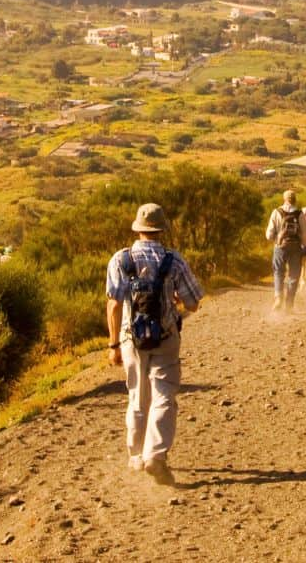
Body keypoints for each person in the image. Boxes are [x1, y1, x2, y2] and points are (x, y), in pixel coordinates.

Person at [106, 202, 204, 485]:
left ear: (138, 228)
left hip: (131, 340)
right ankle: (156, 455)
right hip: (166, 337)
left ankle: (136, 456)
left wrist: (113, 345)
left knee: (137, 396)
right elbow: (193, 303)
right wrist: (176, 304)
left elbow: (113, 304)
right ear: (162, 229)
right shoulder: (174, 261)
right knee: (164, 395)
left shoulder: (121, 260)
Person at [264, 190, 306, 310]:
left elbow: (269, 234)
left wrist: (276, 239)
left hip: (280, 247)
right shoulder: (299, 213)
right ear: (295, 199)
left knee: (278, 272)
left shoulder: (276, 212)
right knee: (294, 275)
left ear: (284, 199)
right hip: (296, 247)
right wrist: (304, 244)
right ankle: (289, 304)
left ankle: (278, 297)